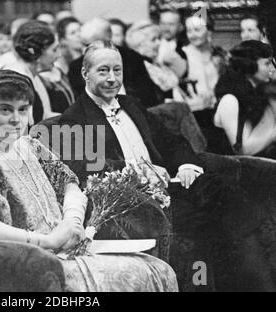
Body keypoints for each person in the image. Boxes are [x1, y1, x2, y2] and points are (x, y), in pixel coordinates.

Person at [0, 69, 178, 292]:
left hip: (63, 252)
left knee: (156, 269)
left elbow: (70, 185)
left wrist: (71, 223)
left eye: (23, 109)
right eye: (5, 109)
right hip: (24, 263)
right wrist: (47, 241)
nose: (16, 119)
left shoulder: (31, 145)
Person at [58, 40, 259, 291]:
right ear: (85, 73)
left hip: (170, 190)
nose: (112, 78)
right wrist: (138, 169)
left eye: (117, 70)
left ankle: (239, 270)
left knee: (219, 188)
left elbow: (172, 140)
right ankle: (246, 276)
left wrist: (186, 166)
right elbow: (88, 167)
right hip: (137, 203)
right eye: (103, 70)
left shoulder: (131, 105)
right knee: (218, 217)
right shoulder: (73, 118)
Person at [0, 20, 62, 127]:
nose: (59, 55)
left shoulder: (33, 76)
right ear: (38, 52)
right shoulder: (17, 81)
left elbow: (41, 115)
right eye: (54, 50)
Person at [213, 40, 276, 157]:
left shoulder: (259, 93)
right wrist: (272, 129)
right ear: (249, 65)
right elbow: (243, 150)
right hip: (232, 170)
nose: (272, 69)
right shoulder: (230, 100)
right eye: (267, 64)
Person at [182, 16, 227, 131]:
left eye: (197, 30)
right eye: (189, 31)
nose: (192, 35)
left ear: (209, 31)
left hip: (218, 109)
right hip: (193, 112)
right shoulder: (183, 54)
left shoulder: (219, 54)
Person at [157, 9, 188, 79]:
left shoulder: (185, 48)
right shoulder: (152, 45)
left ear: (180, 27)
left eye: (171, 24)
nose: (166, 28)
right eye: (163, 24)